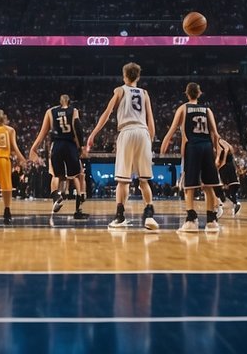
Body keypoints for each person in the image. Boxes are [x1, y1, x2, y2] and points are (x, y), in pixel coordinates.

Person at [86, 62, 159, 231]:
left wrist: (93, 133)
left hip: (127, 131)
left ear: (124, 76)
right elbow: (151, 119)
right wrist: (150, 139)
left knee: (123, 180)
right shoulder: (145, 93)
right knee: (144, 180)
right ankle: (149, 215)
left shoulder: (120, 90)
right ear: (138, 77)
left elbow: (107, 113)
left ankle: (120, 217)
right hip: (143, 132)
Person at [159, 82, 221, 233]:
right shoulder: (207, 110)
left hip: (192, 147)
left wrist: (164, 145)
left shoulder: (183, 108)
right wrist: (218, 152)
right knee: (208, 186)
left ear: (187, 94)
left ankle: (191, 220)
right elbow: (215, 134)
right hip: (207, 147)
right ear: (199, 93)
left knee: (190, 186)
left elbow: (172, 129)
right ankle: (211, 221)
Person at [27, 94, 88, 220]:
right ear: (69, 102)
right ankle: (78, 208)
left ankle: (56, 197)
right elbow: (77, 127)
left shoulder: (50, 112)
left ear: (59, 102)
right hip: (70, 144)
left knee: (55, 175)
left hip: (57, 145)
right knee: (76, 176)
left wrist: (34, 148)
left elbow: (43, 132)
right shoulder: (74, 111)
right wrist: (81, 146)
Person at [214, 137, 242, 217]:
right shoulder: (220, 143)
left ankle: (220, 206)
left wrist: (223, 161)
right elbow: (231, 149)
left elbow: (226, 149)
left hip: (226, 166)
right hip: (228, 165)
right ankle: (234, 202)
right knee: (228, 187)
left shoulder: (219, 141)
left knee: (224, 187)